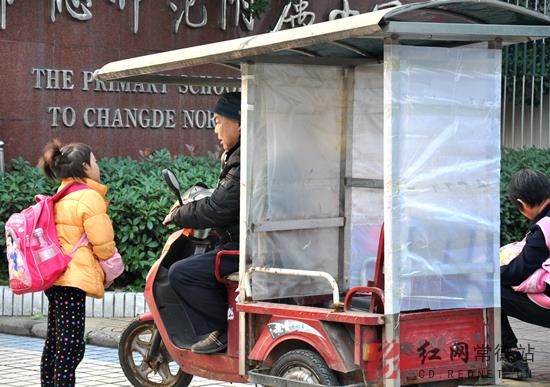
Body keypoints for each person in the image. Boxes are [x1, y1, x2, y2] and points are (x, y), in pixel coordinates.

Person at [164, 92, 241, 354]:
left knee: (182, 272)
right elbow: (226, 198)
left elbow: (218, 208)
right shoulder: (238, 156)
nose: (216, 129)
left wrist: (179, 215)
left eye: (220, 121)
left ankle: (224, 329)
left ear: (239, 123)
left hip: (245, 248)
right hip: (247, 242)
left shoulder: (242, 160)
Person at [38, 140, 117, 386]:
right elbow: (102, 242)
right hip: (74, 280)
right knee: (71, 344)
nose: (98, 165)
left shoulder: (60, 196)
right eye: (94, 161)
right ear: (84, 167)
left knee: (55, 339)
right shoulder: (88, 197)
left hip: (55, 277)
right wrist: (113, 265)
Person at [501, 169, 550, 379]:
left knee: (488, 289)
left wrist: (490, 272)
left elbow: (517, 272)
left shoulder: (545, 228)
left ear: (522, 203)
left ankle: (512, 359)